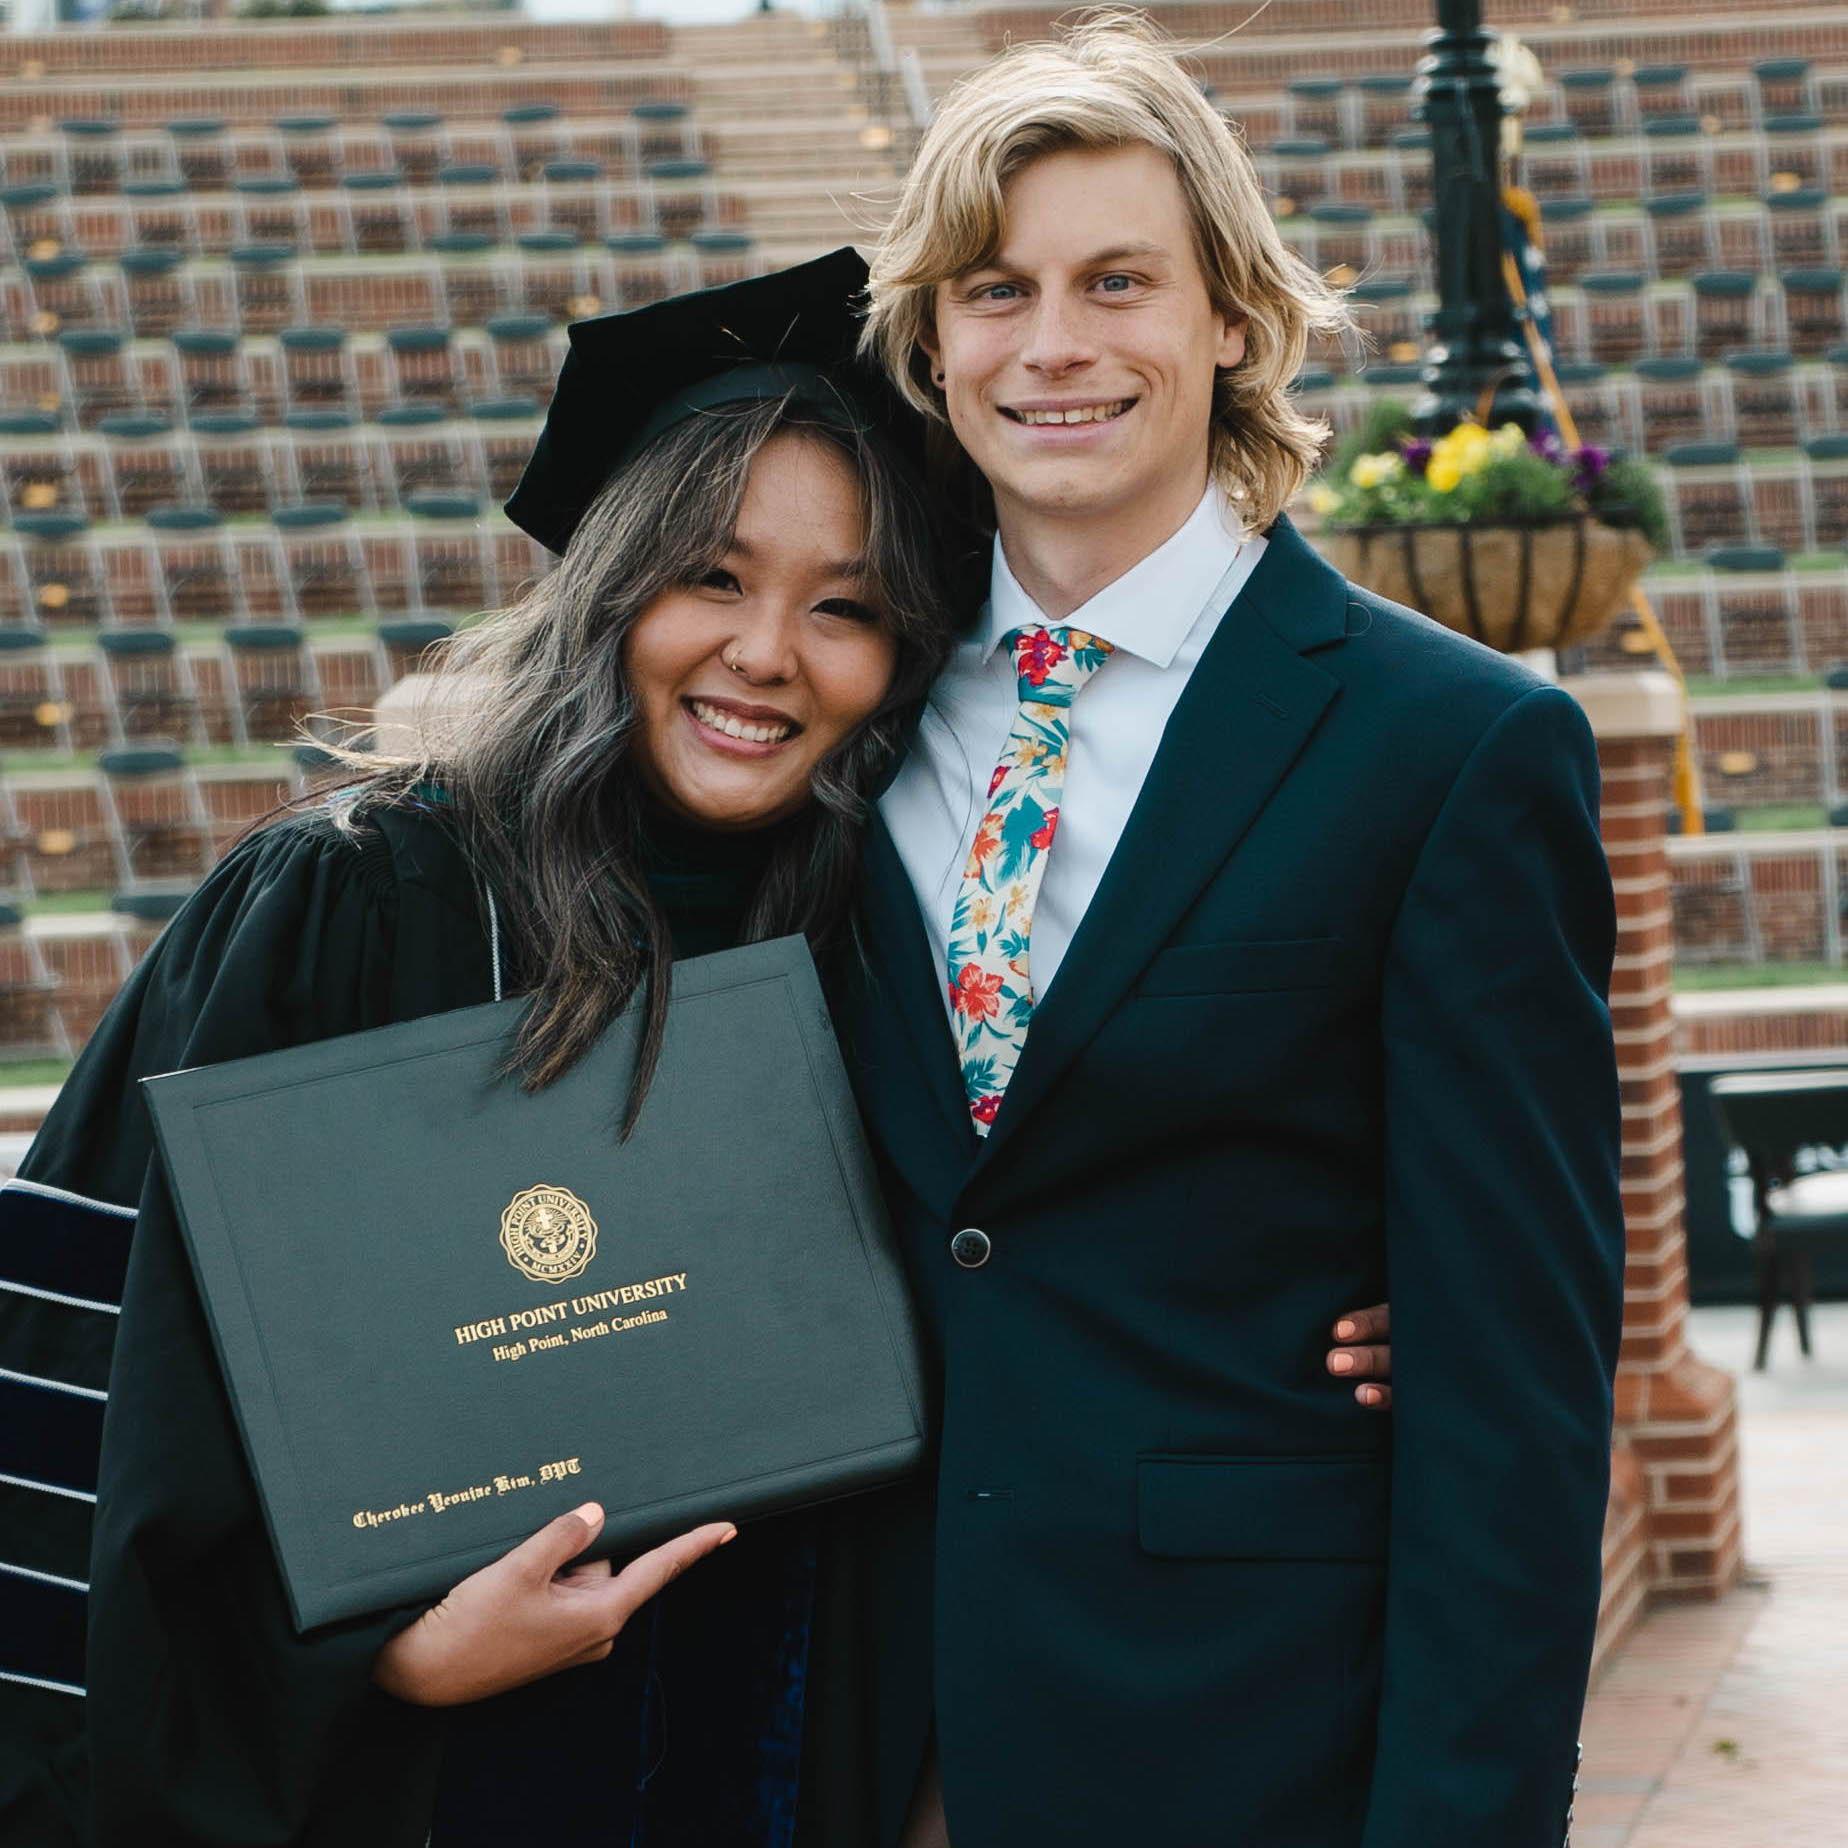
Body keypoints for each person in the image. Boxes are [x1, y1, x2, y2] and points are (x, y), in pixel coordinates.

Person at [0, 250, 1394, 1845]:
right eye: (713, 579)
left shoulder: (889, 931)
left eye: (849, 607)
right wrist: (379, 1661)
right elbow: (83, 1412)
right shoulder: (355, 901)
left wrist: (1374, 1296)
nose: (767, 654)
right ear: (610, 586)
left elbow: (1071, 1229)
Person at [821, 15, 1625, 1848]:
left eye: (1119, 281)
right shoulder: (841, 719)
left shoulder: (1453, 750)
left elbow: (1514, 1405)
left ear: (1233, 322)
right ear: (932, 346)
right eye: (995, 290)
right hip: (863, 1715)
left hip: (1246, 1732)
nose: (1055, 345)